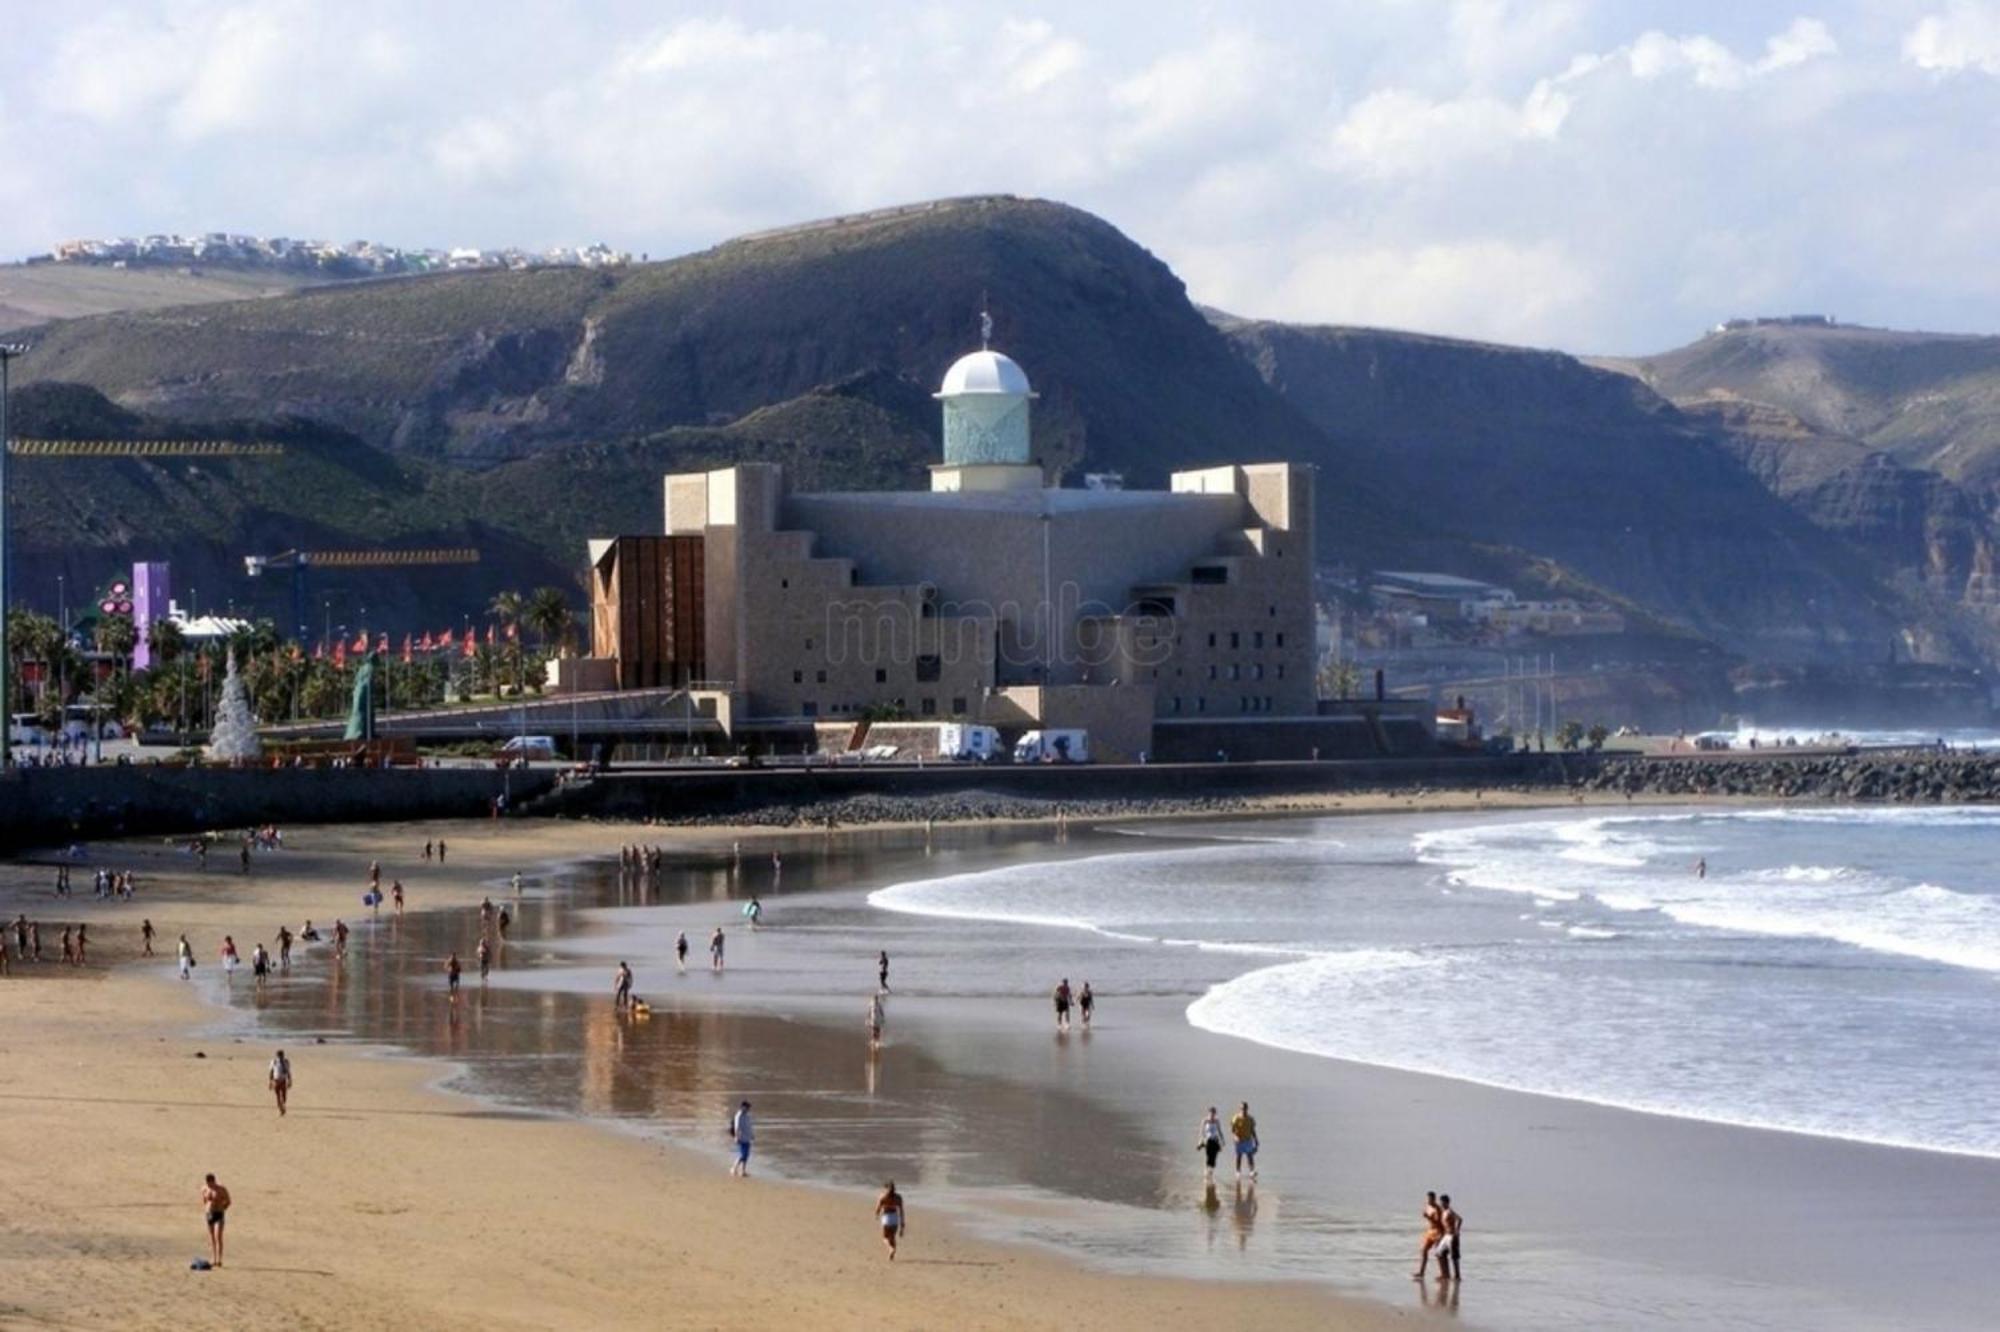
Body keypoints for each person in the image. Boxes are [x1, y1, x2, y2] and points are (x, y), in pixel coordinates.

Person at [200, 1174, 231, 1268]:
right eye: (208, 1184)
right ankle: (214, 1258)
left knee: (218, 1236)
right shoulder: (204, 1189)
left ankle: (220, 1259)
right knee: (212, 1237)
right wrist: (207, 1209)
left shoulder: (221, 1189)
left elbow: (229, 1201)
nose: (209, 1186)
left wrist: (222, 1208)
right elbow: (204, 1201)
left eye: (211, 1184)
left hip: (219, 1213)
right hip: (209, 1214)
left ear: (214, 1181)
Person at [1414, 1191, 1444, 1279]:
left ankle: (1443, 1273)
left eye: (1431, 1199)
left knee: (1438, 1253)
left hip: (1438, 1231)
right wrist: (1428, 1217)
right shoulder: (1428, 1206)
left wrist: (1428, 1217)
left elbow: (1438, 1222)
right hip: (1430, 1231)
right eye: (1428, 1199)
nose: (1429, 1200)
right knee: (1423, 1250)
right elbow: (1430, 1220)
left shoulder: (1437, 1208)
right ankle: (1421, 1272)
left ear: (1434, 1199)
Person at [875, 1181, 906, 1260]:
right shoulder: (898, 1198)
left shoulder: (883, 1197)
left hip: (886, 1217)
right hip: (895, 1218)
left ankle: (890, 1249)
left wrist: (877, 1215)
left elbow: (878, 1208)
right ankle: (892, 1252)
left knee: (885, 1237)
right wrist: (902, 1225)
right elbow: (901, 1211)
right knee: (892, 1238)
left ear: (886, 1188)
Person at [1230, 1102, 1259, 1180]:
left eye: (1245, 1108)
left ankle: (1251, 1171)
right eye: (1242, 1109)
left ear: (1247, 1109)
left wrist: (1256, 1140)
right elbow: (1232, 1129)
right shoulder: (1236, 1118)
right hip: (1239, 1140)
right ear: (1240, 1109)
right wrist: (1235, 1136)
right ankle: (1238, 1171)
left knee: (1250, 1156)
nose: (1243, 1110)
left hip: (1248, 1140)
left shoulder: (1250, 1119)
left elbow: (1252, 1130)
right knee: (1239, 1156)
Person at [1439, 1195, 1464, 1280]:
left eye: (1442, 1202)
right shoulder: (1444, 1211)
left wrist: (1457, 1231)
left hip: (1452, 1235)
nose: (1441, 1203)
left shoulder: (1450, 1211)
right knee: (1439, 1253)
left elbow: (1460, 1219)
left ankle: (1457, 1275)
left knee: (1454, 1257)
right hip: (1446, 1236)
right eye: (1441, 1202)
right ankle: (1445, 1274)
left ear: (1447, 1202)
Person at [1198, 1107, 1226, 1181]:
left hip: (1215, 1140)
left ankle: (1211, 1171)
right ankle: (1206, 1170)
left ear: (1215, 1113)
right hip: (1208, 1140)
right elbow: (1201, 1132)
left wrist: (1222, 1141)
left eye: (1213, 1113)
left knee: (1214, 1156)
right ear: (1208, 1113)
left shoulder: (1217, 1121)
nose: (1212, 1114)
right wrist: (1200, 1141)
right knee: (1208, 1155)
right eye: (1211, 1113)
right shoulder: (1205, 1120)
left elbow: (1220, 1131)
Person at [729, 1100, 754, 1177]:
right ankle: (733, 1168)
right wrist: (736, 1137)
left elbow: (749, 1126)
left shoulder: (748, 1116)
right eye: (747, 1107)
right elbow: (737, 1127)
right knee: (742, 1155)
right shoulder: (738, 1116)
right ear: (743, 1107)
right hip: (741, 1138)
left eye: (749, 1107)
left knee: (746, 1155)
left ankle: (743, 1171)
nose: (748, 1109)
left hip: (747, 1138)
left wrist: (752, 1135)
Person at [268, 1048, 292, 1117]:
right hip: (276, 1080)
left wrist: (290, 1081)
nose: (281, 1057)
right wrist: (270, 1082)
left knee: (284, 1096)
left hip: (283, 1080)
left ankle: (283, 1106)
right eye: (279, 1055)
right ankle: (281, 1109)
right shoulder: (274, 1061)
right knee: (278, 1096)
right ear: (277, 1055)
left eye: (282, 1055)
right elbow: (271, 1072)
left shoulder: (286, 1062)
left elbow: (288, 1072)